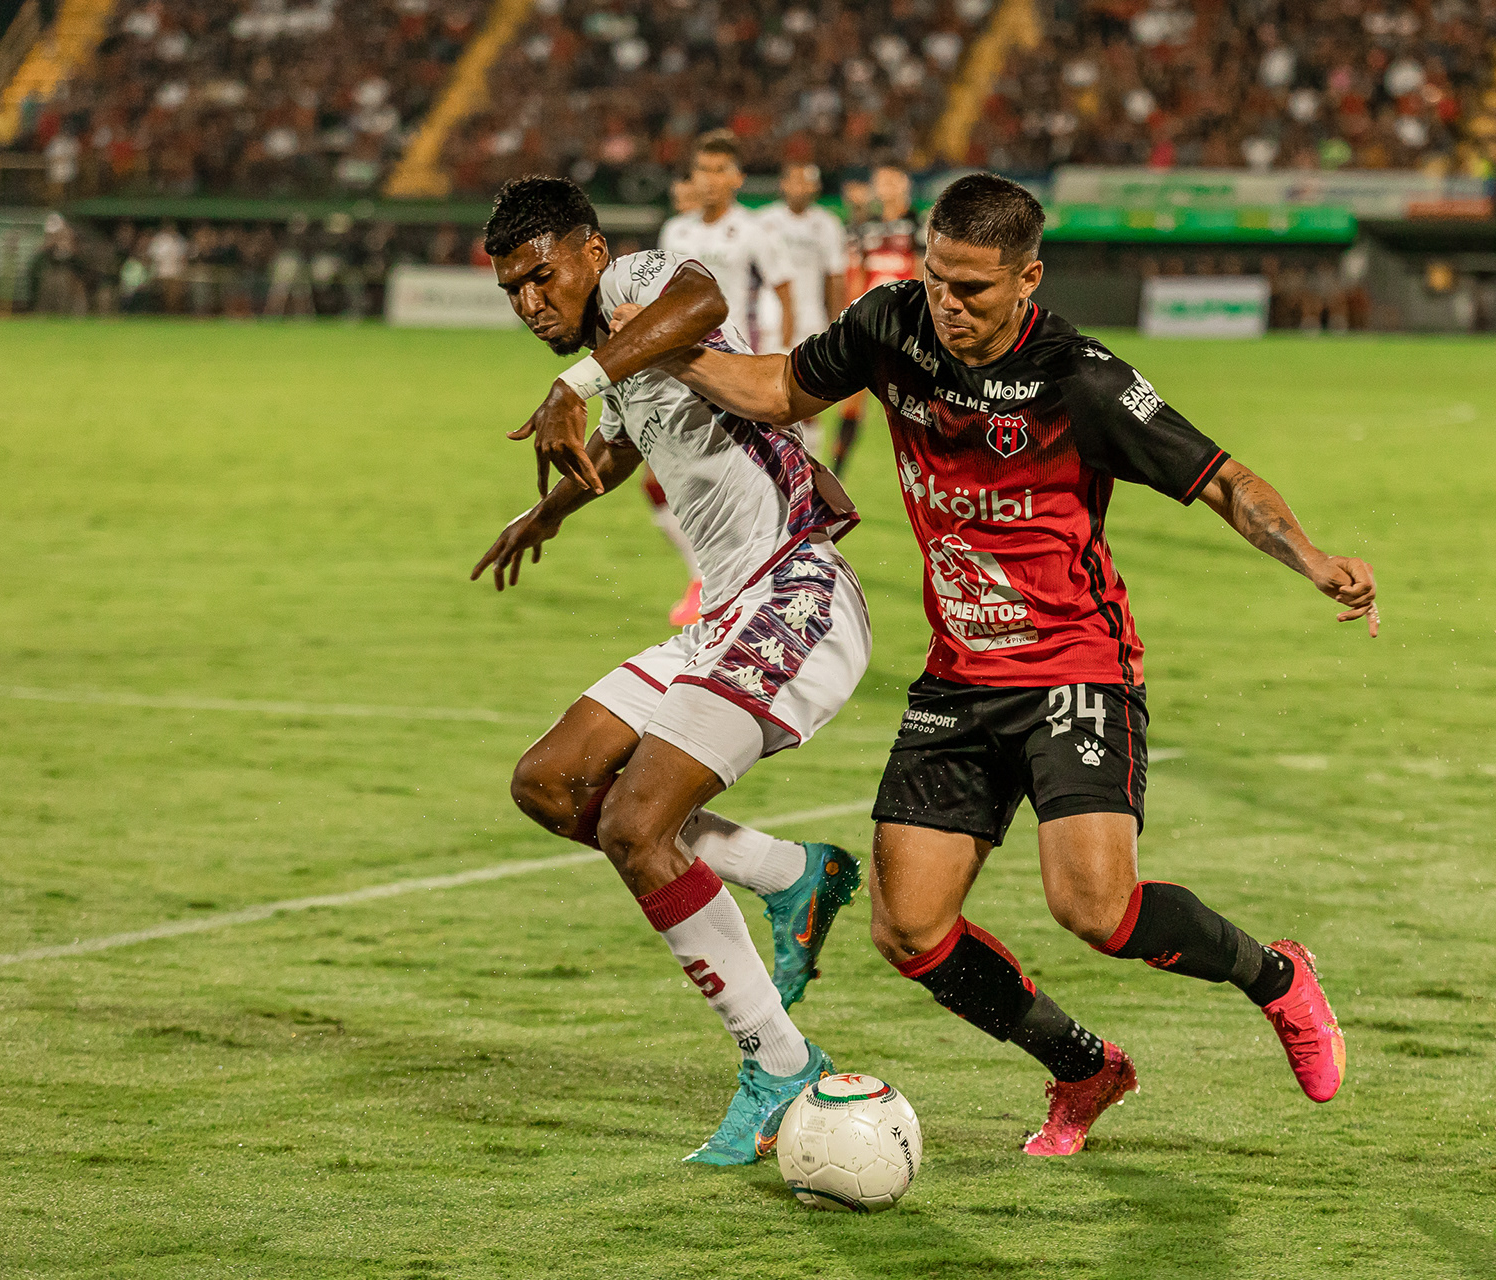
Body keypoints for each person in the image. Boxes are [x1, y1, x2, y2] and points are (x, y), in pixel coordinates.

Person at [648, 173, 1377, 1156]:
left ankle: (1276, 976)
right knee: (907, 928)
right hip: (959, 677)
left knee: (1094, 906)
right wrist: (650, 350)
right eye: (939, 278)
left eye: (975, 289)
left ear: (1029, 278)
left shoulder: (1080, 379)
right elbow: (778, 388)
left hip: (1077, 667)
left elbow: (1225, 480)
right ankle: (1082, 1066)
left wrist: (1313, 557)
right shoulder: (890, 324)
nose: (949, 303)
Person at [471, 176, 870, 1165]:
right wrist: (547, 512)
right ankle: (791, 874)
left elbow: (705, 302)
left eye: (541, 276)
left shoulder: (642, 282)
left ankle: (780, 1062)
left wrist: (577, 380)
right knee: (553, 782)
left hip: (793, 592)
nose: (530, 304)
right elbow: (629, 433)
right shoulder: (628, 351)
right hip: (724, 613)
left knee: (635, 824)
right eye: (512, 290)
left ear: (593, 253)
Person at [652, 134, 798, 625]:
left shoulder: (754, 232)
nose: (709, 180)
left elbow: (784, 293)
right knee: (659, 477)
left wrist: (782, 364)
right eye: (701, 170)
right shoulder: (676, 233)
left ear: (737, 178)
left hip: (737, 372)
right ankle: (702, 577)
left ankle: (751, 585)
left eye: (719, 170)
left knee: (738, 483)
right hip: (681, 369)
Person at [831, 162, 922, 476]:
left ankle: (930, 476)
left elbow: (923, 272)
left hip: (905, 325)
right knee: (853, 400)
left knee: (913, 405)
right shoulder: (865, 226)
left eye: (891, 179)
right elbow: (858, 276)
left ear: (905, 183)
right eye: (880, 179)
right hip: (870, 322)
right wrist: (849, 316)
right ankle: (836, 475)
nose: (884, 185)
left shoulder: (917, 223)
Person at [755, 162, 848, 454]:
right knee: (765, 396)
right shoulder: (763, 220)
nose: (799, 187)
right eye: (794, 180)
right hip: (770, 318)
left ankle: (811, 462)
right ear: (783, 184)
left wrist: (837, 323)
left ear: (815, 188)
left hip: (811, 320)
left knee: (809, 397)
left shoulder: (827, 224)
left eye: (806, 182)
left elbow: (835, 276)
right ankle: (770, 459)